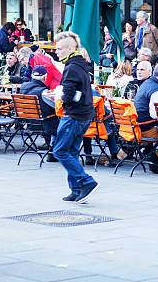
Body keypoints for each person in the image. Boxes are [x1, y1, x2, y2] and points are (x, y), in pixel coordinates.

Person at [52, 31, 98, 204]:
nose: (56, 52)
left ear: (70, 49)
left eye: (59, 49)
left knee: (60, 150)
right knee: (70, 151)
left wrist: (59, 96)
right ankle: (76, 189)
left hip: (74, 115)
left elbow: (69, 93)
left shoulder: (71, 67)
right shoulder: (80, 64)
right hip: (84, 115)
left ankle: (85, 181)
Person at [20, 66, 59, 146]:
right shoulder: (43, 92)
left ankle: (49, 145)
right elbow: (55, 105)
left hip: (29, 122)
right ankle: (54, 148)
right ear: (45, 77)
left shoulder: (23, 87)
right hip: (44, 124)